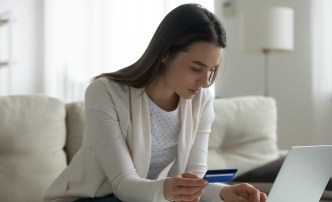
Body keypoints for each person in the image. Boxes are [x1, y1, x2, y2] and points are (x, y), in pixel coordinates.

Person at [44, 3, 267, 202]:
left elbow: (193, 181)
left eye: (211, 71)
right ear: (166, 54)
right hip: (86, 197)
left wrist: (222, 193)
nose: (204, 82)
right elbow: (123, 183)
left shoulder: (201, 100)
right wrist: (167, 190)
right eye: (196, 68)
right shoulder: (105, 92)